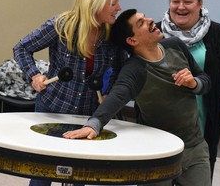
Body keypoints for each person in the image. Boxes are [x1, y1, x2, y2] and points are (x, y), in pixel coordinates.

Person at [63, 9, 212, 186]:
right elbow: (117, 96)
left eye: (146, 17)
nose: (150, 20)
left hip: (194, 147)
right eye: (141, 23)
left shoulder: (176, 46)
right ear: (132, 40)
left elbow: (205, 80)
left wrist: (194, 83)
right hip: (157, 152)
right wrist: (94, 124)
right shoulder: (134, 69)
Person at [13, 0, 124, 186]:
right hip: (52, 107)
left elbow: (121, 68)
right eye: (113, 3)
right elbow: (22, 48)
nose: (118, 7)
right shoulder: (61, 24)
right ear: (95, 1)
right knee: (42, 173)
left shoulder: (112, 34)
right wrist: (34, 75)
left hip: (86, 113)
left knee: (78, 173)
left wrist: (109, 92)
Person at [156, 0, 220, 180]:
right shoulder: (155, 34)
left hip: (203, 133)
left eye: (188, 1)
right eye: (175, 1)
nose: (181, 7)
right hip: (156, 133)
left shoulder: (219, 35)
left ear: (200, 3)